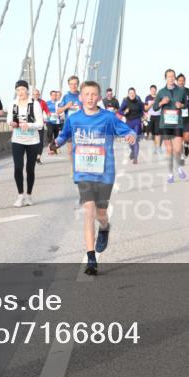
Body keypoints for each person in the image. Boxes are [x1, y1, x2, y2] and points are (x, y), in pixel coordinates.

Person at [54, 80, 136, 275]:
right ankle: (91, 258)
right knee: (89, 211)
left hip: (105, 173)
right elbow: (64, 135)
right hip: (83, 172)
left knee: (101, 213)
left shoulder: (108, 117)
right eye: (86, 94)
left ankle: (105, 227)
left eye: (93, 94)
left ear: (99, 97)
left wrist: (131, 134)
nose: (90, 98)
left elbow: (126, 130)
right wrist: (55, 143)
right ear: (80, 97)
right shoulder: (74, 119)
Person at [10, 80, 45, 207]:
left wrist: (28, 125)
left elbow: (40, 124)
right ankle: (20, 196)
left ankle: (29, 195)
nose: (20, 92)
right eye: (18, 90)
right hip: (17, 140)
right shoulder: (13, 104)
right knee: (18, 168)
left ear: (27, 90)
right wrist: (12, 123)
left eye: (23, 89)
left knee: (30, 169)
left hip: (33, 141)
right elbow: (9, 119)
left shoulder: (35, 104)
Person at [152, 69, 189, 183]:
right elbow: (154, 108)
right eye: (169, 77)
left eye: (173, 76)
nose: (171, 78)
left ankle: (179, 167)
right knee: (169, 150)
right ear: (165, 78)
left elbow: (187, 104)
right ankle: (170, 174)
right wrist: (162, 102)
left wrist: (181, 105)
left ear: (175, 78)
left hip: (177, 123)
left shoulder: (181, 91)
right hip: (165, 124)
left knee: (177, 149)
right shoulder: (161, 92)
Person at [119, 87, 145, 164]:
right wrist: (125, 112)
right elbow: (120, 111)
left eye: (133, 93)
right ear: (128, 94)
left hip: (137, 121)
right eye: (130, 93)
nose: (132, 94)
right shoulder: (125, 101)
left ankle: (135, 159)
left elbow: (141, 112)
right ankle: (133, 150)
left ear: (135, 93)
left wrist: (143, 117)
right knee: (130, 140)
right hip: (128, 122)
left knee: (136, 140)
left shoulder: (139, 102)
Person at [176, 73, 189, 158]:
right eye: (179, 80)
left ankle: (186, 145)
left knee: (187, 138)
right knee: (178, 138)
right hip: (176, 118)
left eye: (182, 80)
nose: (181, 82)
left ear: (185, 81)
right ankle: (181, 153)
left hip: (187, 117)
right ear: (177, 81)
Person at [32, 87, 50, 164]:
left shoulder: (42, 102)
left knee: (40, 142)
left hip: (40, 125)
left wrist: (48, 116)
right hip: (31, 125)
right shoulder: (29, 102)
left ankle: (38, 158)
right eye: (34, 94)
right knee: (32, 142)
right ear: (32, 95)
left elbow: (47, 111)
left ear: (39, 95)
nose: (35, 96)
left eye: (37, 94)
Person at [144, 84, 161, 154]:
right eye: (152, 90)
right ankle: (155, 147)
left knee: (158, 133)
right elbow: (145, 108)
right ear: (150, 90)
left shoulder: (159, 96)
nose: (153, 91)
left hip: (158, 116)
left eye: (154, 90)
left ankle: (158, 147)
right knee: (153, 133)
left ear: (156, 90)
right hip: (150, 116)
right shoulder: (147, 97)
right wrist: (151, 104)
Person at [45, 90, 62, 155]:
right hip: (49, 121)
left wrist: (60, 114)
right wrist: (47, 114)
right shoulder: (47, 103)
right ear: (51, 95)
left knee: (56, 136)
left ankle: (54, 148)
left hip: (57, 122)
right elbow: (44, 111)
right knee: (50, 132)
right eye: (53, 95)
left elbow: (62, 111)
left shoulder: (59, 103)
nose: (54, 96)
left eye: (55, 95)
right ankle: (50, 146)